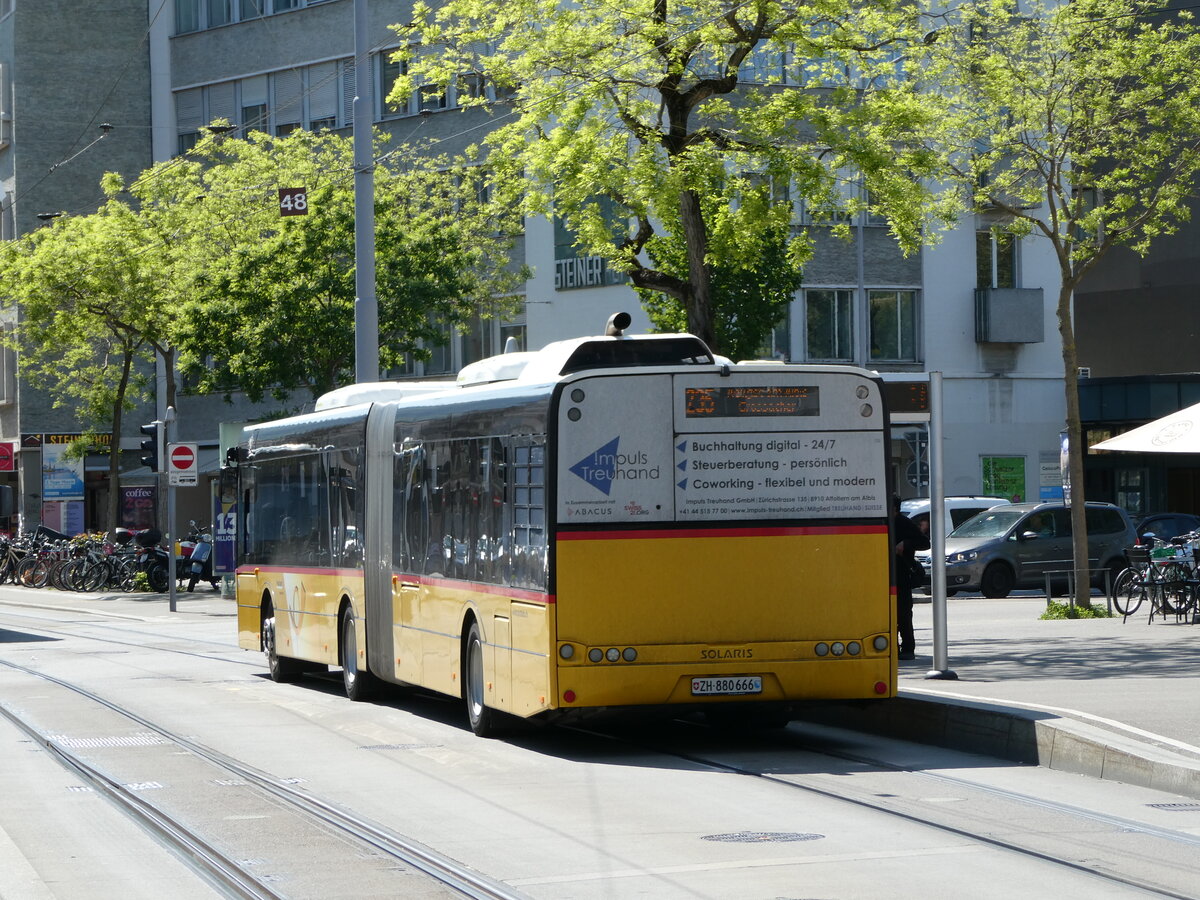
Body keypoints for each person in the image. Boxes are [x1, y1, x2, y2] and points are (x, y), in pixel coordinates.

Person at [893, 495, 930, 660]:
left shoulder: (903, 523)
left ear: (894, 509)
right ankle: (892, 647)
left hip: (901, 576)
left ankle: (908, 648)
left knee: (903, 614)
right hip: (881, 576)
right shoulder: (883, 522)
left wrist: (905, 544)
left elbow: (925, 543)